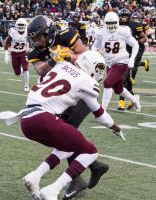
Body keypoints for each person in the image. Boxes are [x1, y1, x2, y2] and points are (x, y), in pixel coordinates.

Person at [0, 51, 124, 200]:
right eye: (98, 68)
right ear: (90, 65)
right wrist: (115, 127)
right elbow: (100, 115)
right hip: (43, 118)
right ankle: (53, 189)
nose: (98, 72)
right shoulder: (87, 81)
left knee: (68, 147)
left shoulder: (62, 65)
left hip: (26, 119)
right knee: (91, 151)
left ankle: (35, 176)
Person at [27, 15, 109, 200]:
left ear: (48, 32)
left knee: (67, 132)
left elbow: (86, 56)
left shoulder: (66, 35)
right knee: (62, 135)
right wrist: (53, 60)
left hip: (83, 88)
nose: (37, 42)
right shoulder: (35, 52)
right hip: (63, 95)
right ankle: (94, 167)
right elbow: (40, 70)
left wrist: (69, 56)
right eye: (34, 39)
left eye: (39, 37)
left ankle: (77, 179)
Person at [92, 12, 141, 112]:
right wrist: (94, 56)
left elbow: (135, 45)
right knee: (118, 89)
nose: (111, 25)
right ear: (105, 23)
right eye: (108, 23)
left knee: (107, 82)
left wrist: (132, 59)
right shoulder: (101, 32)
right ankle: (135, 100)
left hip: (121, 62)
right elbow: (94, 46)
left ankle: (103, 110)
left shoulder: (123, 31)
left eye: (113, 22)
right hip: (109, 63)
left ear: (117, 22)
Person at [117, 10, 148, 111]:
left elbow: (144, 38)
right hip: (121, 53)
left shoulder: (134, 25)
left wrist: (135, 43)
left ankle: (121, 101)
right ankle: (133, 98)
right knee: (125, 78)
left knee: (123, 76)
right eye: (122, 16)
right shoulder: (116, 25)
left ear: (129, 16)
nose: (124, 17)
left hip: (133, 53)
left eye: (126, 15)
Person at [4, 18, 29, 92]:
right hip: (14, 53)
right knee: (17, 73)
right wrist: (6, 53)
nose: (21, 27)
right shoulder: (13, 32)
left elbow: (32, 42)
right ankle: (20, 70)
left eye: (22, 25)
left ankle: (26, 85)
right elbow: (7, 42)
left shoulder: (28, 32)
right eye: (19, 25)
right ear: (16, 25)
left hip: (23, 52)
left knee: (25, 68)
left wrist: (30, 51)